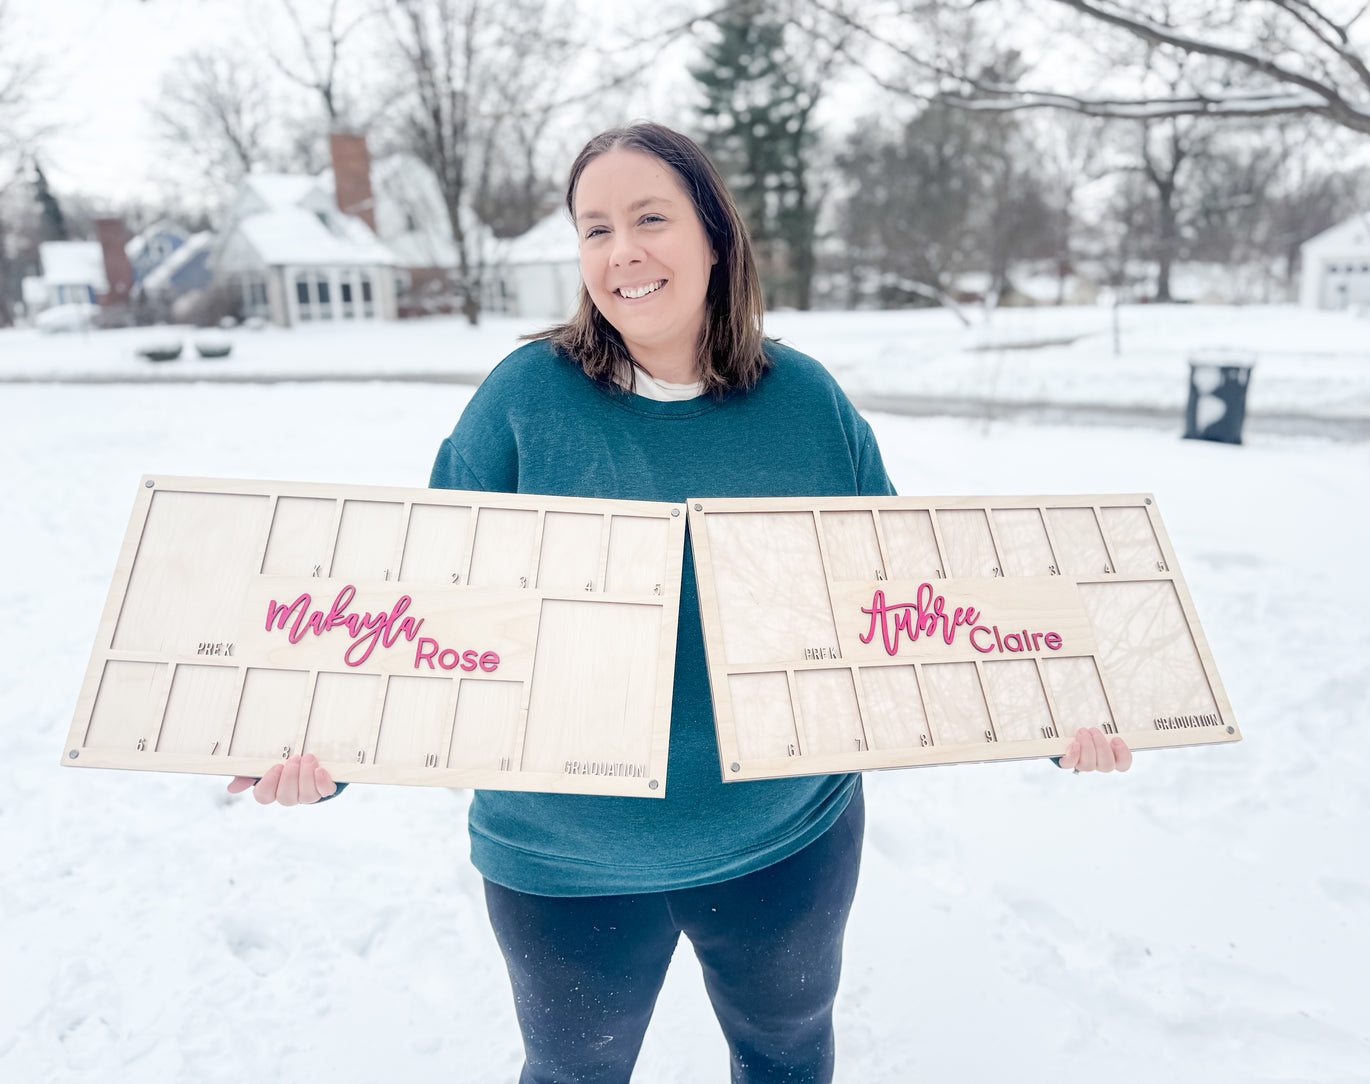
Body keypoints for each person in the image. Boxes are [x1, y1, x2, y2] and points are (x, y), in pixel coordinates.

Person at [229, 121, 1133, 1083]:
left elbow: (902, 604)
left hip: (784, 841)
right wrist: (330, 749)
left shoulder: (805, 403)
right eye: (595, 229)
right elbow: (422, 609)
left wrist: (1049, 706)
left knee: (785, 1054)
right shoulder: (524, 401)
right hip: (565, 859)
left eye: (650, 218)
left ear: (713, 235)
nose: (623, 252)